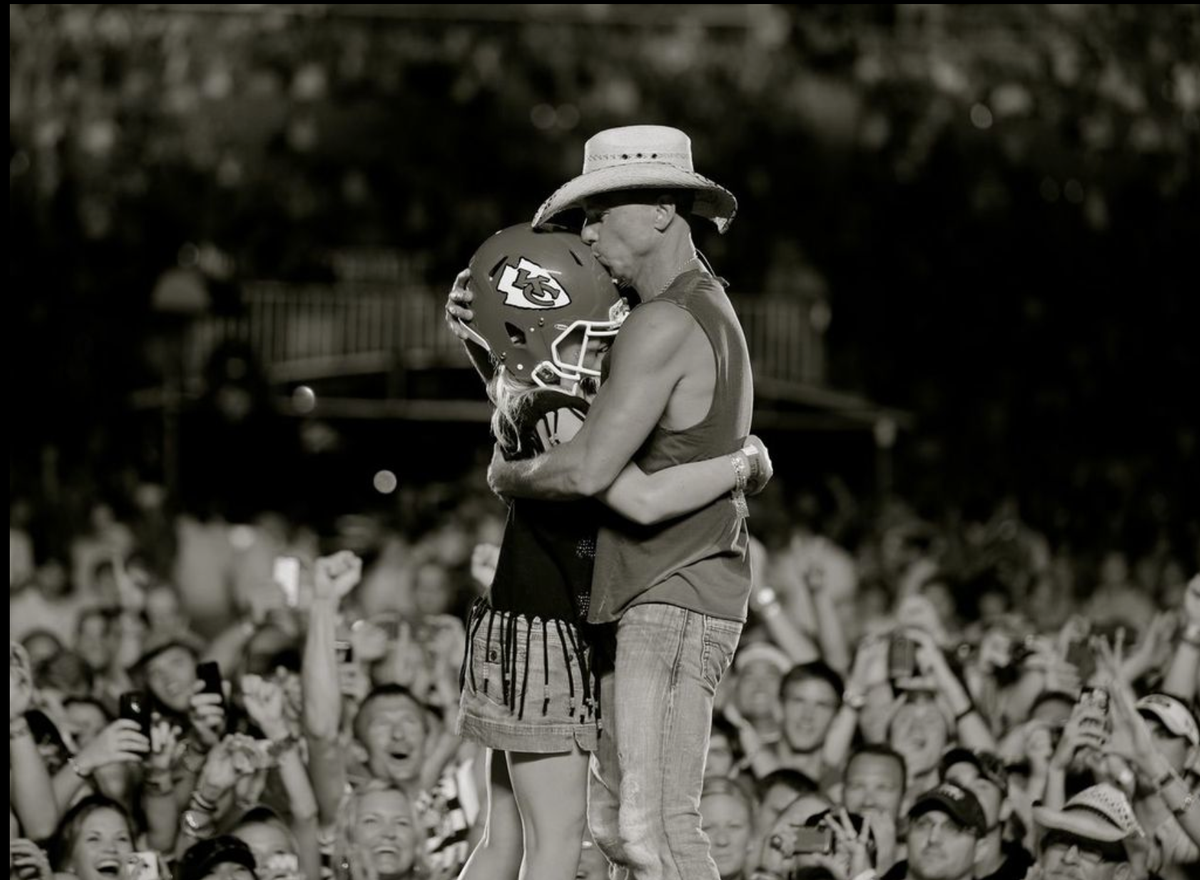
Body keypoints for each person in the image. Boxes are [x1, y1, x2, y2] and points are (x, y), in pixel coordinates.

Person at [452, 123, 760, 880]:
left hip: (668, 596)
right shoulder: (698, 306)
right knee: (630, 833)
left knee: (654, 833)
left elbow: (588, 472)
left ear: (661, 208)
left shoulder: (661, 322)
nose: (586, 235)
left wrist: (507, 475)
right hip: (648, 599)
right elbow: (559, 415)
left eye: (599, 212)